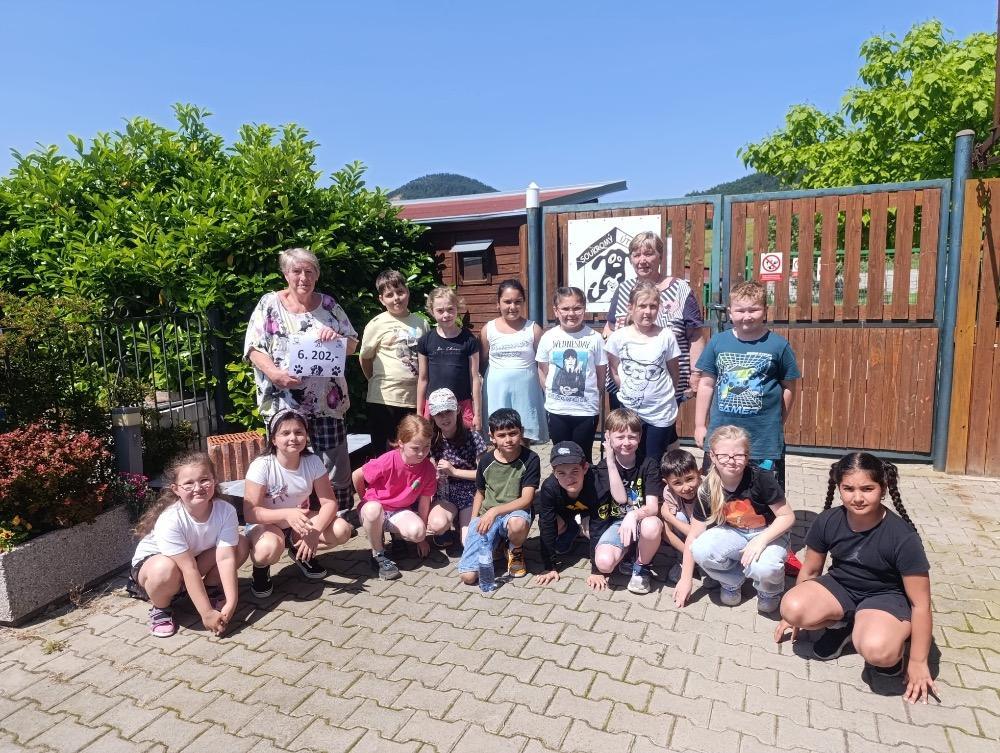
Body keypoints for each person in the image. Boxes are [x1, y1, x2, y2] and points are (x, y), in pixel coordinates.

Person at [775, 453, 937, 703]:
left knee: (877, 649)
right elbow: (810, 571)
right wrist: (793, 617)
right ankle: (844, 627)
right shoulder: (828, 520)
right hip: (842, 586)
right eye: (848, 489)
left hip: (885, 597)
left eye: (867, 489)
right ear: (838, 487)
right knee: (792, 607)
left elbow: (921, 604)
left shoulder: (903, 537)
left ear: (883, 489)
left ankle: (888, 651)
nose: (857, 498)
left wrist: (918, 660)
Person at [244, 247, 359, 512]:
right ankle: (290, 518)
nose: (303, 277)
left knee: (333, 459)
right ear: (286, 274)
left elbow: (353, 345)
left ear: (317, 275)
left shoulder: (329, 305)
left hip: (327, 401)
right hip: (284, 401)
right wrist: (275, 374)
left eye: (309, 271)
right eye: (296, 271)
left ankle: (337, 515)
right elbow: (253, 348)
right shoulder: (269, 304)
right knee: (289, 460)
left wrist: (337, 339)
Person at [673, 425, 795, 613]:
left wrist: (760, 541)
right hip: (735, 533)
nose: (731, 461)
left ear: (747, 456)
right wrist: (685, 578)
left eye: (738, 455)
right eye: (723, 455)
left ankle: (769, 590)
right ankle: (732, 580)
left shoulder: (761, 478)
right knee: (700, 548)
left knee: (766, 571)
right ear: (712, 456)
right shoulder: (707, 488)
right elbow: (694, 535)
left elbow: (787, 517)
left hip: (769, 533)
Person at [694, 279, 800, 490]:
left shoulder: (779, 346)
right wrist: (699, 425)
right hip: (721, 437)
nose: (747, 316)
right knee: (715, 492)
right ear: (730, 312)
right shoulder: (718, 342)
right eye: (740, 310)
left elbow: (789, 387)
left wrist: (778, 421)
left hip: (763, 440)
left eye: (754, 310)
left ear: (765, 310)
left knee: (764, 494)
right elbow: (706, 384)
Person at [129, 452, 249, 638]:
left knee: (240, 544)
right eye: (189, 483)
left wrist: (231, 603)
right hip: (154, 568)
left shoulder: (226, 511)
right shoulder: (171, 519)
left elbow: (225, 558)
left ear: (215, 480)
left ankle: (209, 589)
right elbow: (189, 569)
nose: (198, 488)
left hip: (192, 560)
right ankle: (161, 608)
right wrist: (206, 614)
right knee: (164, 569)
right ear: (176, 489)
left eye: (204, 480)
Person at [244, 410, 354, 598]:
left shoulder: (313, 461)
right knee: (267, 550)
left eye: (299, 432)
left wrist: (315, 532)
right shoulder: (261, 465)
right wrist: (286, 514)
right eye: (285, 433)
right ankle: (260, 569)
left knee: (342, 530)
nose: (293, 438)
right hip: (266, 524)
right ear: (273, 439)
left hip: (300, 523)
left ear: (306, 436)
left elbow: (329, 503)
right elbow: (250, 513)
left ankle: (301, 553)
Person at [603, 230, 707, 407]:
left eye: (648, 254)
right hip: (625, 386)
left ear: (660, 257)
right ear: (630, 259)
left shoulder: (680, 289)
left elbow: (695, 335)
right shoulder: (623, 289)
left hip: (665, 387)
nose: (642, 260)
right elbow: (610, 327)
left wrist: (696, 373)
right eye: (636, 255)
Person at [457, 409, 541, 584]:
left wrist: (495, 511)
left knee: (517, 524)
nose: (508, 440)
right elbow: (480, 492)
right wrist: (473, 521)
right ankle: (498, 545)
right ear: (492, 437)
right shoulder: (486, 461)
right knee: (468, 577)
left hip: (515, 513)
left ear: (521, 431)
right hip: (487, 516)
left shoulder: (531, 459)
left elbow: (526, 499)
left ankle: (515, 549)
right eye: (501, 435)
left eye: (513, 433)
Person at [587, 408, 664, 595]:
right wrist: (611, 462)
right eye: (620, 437)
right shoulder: (603, 467)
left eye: (632, 437)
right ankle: (629, 551)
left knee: (652, 525)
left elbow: (652, 507)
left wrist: (633, 515)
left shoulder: (649, 465)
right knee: (604, 563)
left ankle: (641, 567)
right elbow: (620, 499)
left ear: (640, 437)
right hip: (616, 523)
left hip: (642, 521)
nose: (626, 442)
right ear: (608, 437)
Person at [352, 414, 436, 580]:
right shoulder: (387, 460)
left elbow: (424, 503)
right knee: (373, 510)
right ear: (401, 444)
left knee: (418, 532)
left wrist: (422, 540)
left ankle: (396, 537)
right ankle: (378, 554)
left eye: (426, 447)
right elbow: (357, 475)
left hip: (399, 511)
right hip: (375, 509)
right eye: (415, 448)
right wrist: (364, 501)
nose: (422, 453)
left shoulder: (428, 469)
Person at [605, 281, 681, 464]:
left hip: (660, 411)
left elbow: (674, 372)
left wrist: (659, 395)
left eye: (653, 306)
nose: (648, 311)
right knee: (629, 457)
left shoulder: (666, 336)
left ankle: (652, 484)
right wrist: (632, 391)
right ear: (630, 307)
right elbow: (615, 371)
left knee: (653, 460)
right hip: (630, 410)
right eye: (642, 306)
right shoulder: (618, 338)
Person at [359, 269, 430, 455]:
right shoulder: (376, 323)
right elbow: (365, 358)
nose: (396, 298)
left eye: (400, 292)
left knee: (411, 450)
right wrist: (374, 380)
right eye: (389, 295)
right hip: (384, 399)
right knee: (385, 452)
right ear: (381, 299)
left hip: (413, 398)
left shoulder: (421, 323)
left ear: (408, 292)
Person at [536, 286, 607, 458]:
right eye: (565, 308)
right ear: (556, 311)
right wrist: (552, 393)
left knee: (583, 456)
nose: (571, 313)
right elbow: (542, 371)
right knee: (561, 456)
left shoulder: (595, 338)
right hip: (557, 409)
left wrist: (592, 396)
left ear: (584, 309)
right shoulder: (548, 337)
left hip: (585, 410)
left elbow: (601, 374)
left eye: (577, 308)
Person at [481, 279, 547, 443]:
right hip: (497, 390)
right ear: (498, 303)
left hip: (526, 392)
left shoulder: (533, 329)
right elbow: (481, 361)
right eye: (507, 302)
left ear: (523, 302)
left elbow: (543, 363)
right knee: (499, 434)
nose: (513, 306)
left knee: (523, 436)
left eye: (518, 302)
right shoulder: (488, 329)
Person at [424, 387, 487, 548]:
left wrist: (454, 471)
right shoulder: (431, 440)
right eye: (439, 414)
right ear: (432, 416)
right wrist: (433, 474)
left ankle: (461, 522)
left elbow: (484, 475)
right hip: (445, 494)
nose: (444, 418)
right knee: (437, 524)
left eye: (448, 411)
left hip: (470, 494)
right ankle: (445, 529)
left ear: (457, 410)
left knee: (468, 542)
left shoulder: (473, 437)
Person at [416, 287, 482, 430]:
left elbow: (474, 378)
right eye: (440, 311)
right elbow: (423, 379)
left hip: (462, 404)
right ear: (431, 311)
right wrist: (419, 413)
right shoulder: (425, 341)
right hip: (433, 406)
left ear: (457, 308)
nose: (446, 315)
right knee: (433, 441)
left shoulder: (469, 340)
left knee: (464, 441)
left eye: (450, 309)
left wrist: (477, 414)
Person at [533, 441, 598, 587]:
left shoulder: (596, 482)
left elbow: (600, 523)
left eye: (574, 471)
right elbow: (547, 525)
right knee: (554, 526)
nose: (569, 478)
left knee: (592, 530)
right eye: (561, 473)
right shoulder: (549, 487)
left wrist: (596, 569)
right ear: (554, 473)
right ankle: (571, 530)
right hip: (564, 515)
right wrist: (549, 566)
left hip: (588, 513)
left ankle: (580, 530)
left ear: (585, 468)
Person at [659, 449, 701, 583]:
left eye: (689, 479)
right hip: (689, 544)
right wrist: (690, 556)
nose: (686, 487)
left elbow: (700, 533)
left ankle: (704, 563)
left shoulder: (706, 490)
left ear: (699, 473)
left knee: (711, 583)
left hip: (707, 537)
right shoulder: (669, 493)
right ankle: (684, 560)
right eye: (677, 483)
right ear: (667, 483)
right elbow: (666, 532)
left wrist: (669, 517)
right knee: (679, 516)